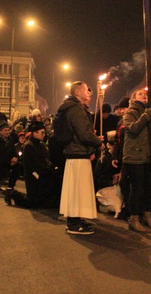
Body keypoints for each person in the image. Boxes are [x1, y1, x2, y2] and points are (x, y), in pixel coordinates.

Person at [58, 81, 104, 235]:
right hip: (77, 153)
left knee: (77, 189)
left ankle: (76, 218)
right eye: (86, 90)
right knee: (77, 189)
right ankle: (73, 222)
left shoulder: (75, 108)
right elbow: (84, 134)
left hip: (77, 152)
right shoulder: (76, 109)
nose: (89, 93)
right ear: (77, 93)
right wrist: (98, 142)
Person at [122, 89, 151, 232]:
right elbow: (132, 128)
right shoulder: (130, 112)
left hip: (149, 155)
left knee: (149, 188)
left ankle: (147, 216)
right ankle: (134, 218)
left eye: (145, 94)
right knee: (137, 188)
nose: (144, 95)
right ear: (133, 98)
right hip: (135, 156)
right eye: (140, 94)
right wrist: (146, 116)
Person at [4, 122, 61, 209]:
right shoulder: (29, 146)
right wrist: (47, 170)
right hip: (34, 178)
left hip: (43, 174)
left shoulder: (41, 145)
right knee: (33, 202)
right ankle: (12, 193)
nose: (44, 134)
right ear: (34, 133)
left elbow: (46, 159)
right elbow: (33, 165)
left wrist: (51, 168)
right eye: (41, 132)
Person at [0, 120, 18, 192]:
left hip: (7, 161)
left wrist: (15, 157)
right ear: (0, 131)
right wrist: (9, 161)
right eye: (5, 130)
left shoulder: (10, 139)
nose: (7, 132)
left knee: (18, 166)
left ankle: (10, 186)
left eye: (8, 130)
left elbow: (13, 150)